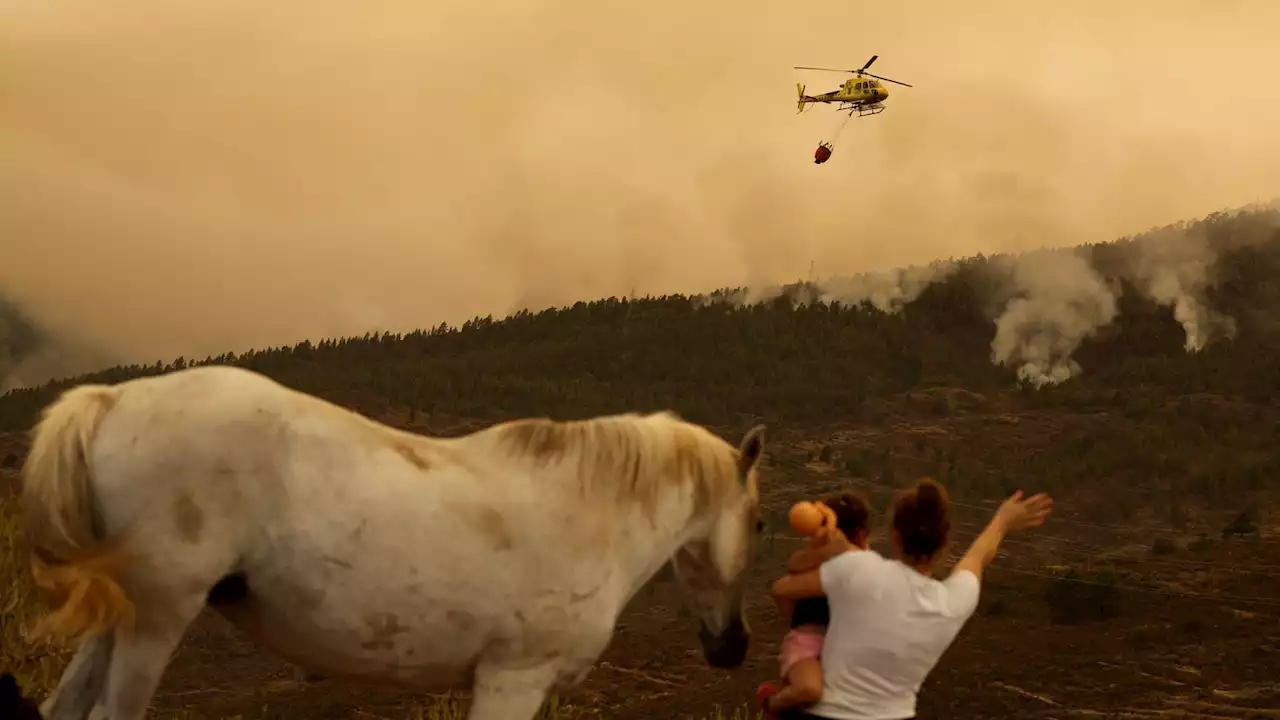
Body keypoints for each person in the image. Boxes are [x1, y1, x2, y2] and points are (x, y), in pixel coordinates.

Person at [768, 478, 1053, 720]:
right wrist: (1002, 522)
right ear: (944, 543)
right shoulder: (953, 602)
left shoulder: (858, 570)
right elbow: (978, 557)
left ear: (895, 535)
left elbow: (786, 585)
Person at [757, 491, 873, 718]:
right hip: (808, 644)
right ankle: (772, 703)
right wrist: (825, 552)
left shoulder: (863, 564)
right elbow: (790, 571)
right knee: (809, 690)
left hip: (843, 651)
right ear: (862, 534)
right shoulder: (818, 559)